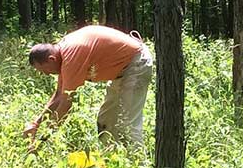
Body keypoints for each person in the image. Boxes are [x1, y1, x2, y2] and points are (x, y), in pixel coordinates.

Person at [24, 25, 154, 149]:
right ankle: (110, 161)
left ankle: (138, 164)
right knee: (106, 120)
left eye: (44, 70)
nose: (46, 74)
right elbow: (59, 95)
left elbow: (66, 105)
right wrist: (36, 123)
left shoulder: (72, 56)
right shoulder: (63, 55)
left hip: (136, 63)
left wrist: (41, 142)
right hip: (121, 72)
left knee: (127, 123)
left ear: (51, 59)